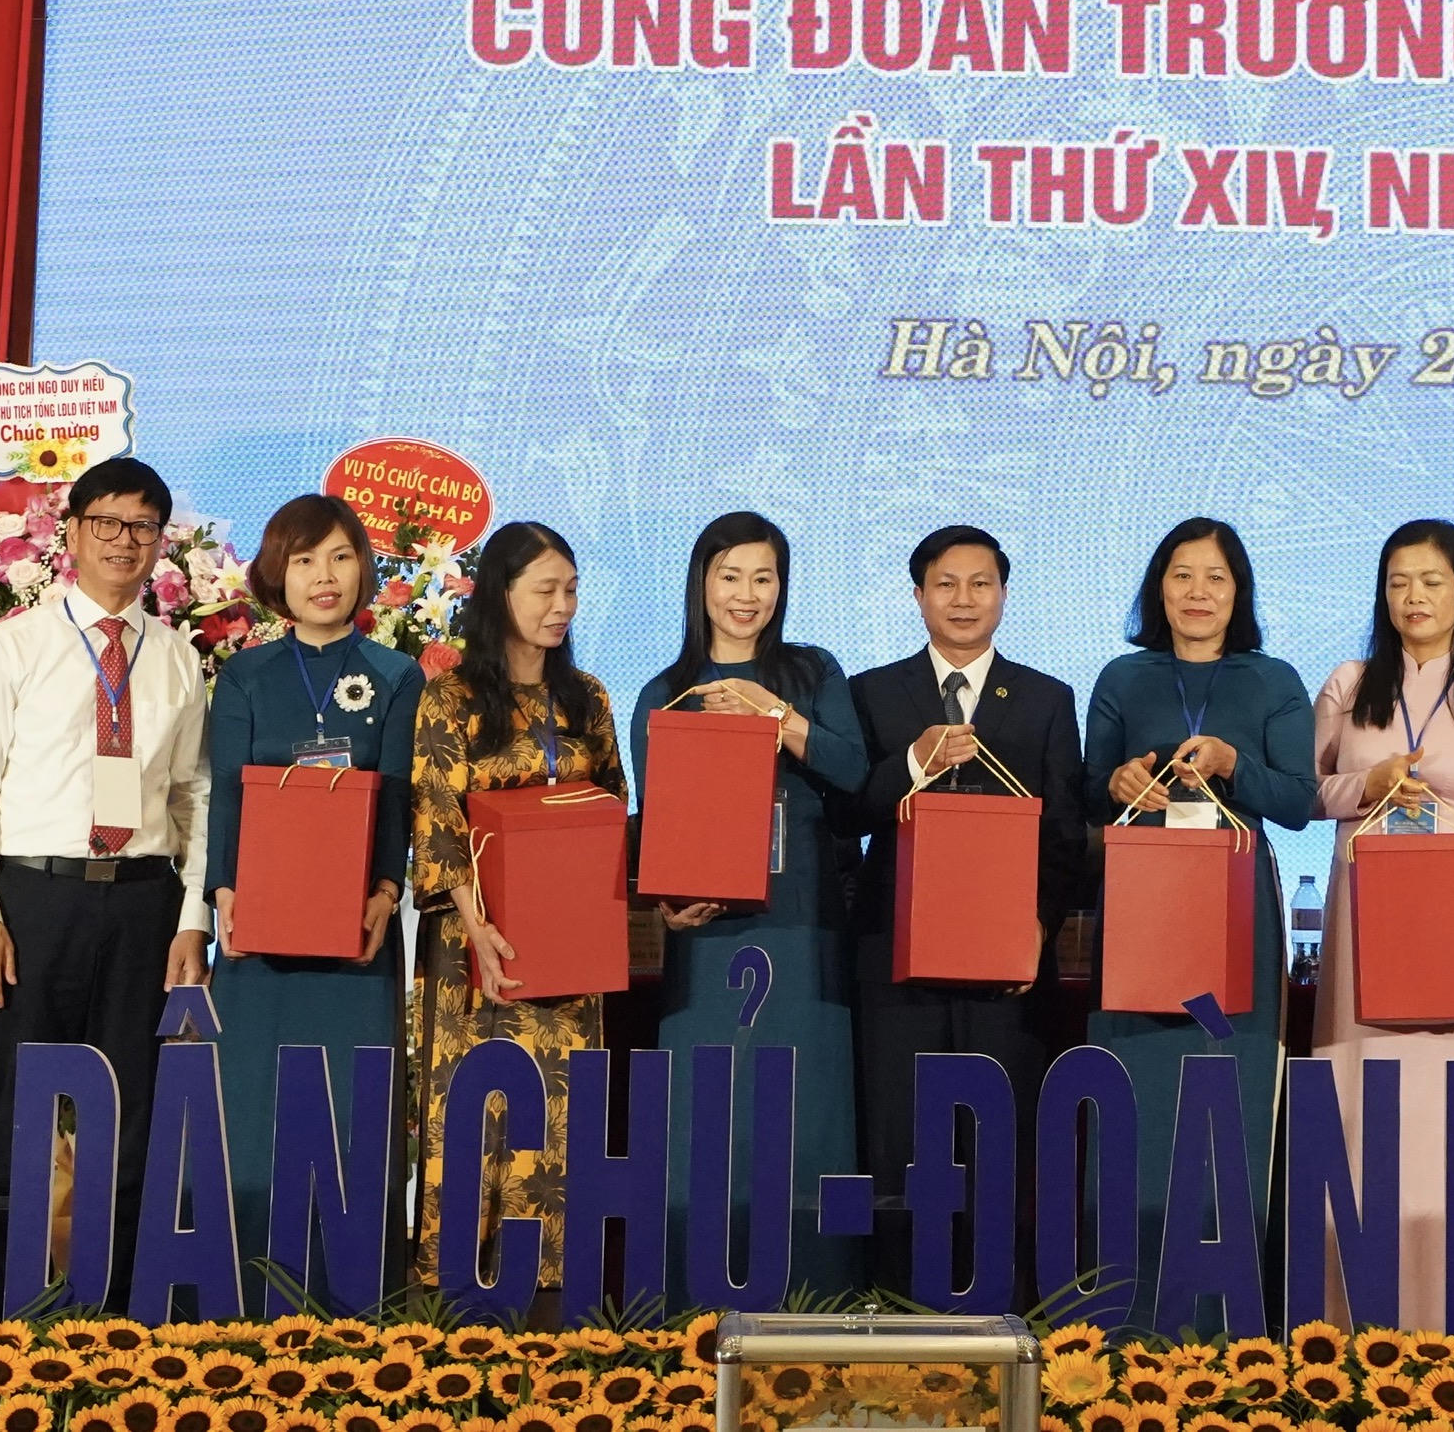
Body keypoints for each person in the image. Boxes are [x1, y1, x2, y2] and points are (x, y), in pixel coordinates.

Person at [0, 455, 211, 1315]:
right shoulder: (12, 645)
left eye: (142, 527)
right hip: (37, 898)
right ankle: (15, 1302)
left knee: (133, 1109)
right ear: (72, 530)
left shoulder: (177, 659)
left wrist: (193, 917)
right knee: (23, 1105)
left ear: (159, 542)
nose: (123, 541)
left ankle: (117, 1302)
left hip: (142, 902)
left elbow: (196, 796)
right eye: (107, 522)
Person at [843, 524, 1085, 1307]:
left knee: (996, 1145)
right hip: (897, 962)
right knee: (900, 1144)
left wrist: (1037, 929)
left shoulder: (1046, 699)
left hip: (1003, 971)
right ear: (918, 595)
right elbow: (848, 812)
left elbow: (1063, 836)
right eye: (946, 584)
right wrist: (914, 761)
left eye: (981, 583)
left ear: (1004, 595)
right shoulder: (873, 693)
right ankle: (893, 1308)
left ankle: (996, 1313)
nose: (964, 600)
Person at [1085, 516, 1316, 1335]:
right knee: (1137, 1107)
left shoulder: (1273, 679)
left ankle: (1226, 1327)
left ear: (1238, 591)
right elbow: (1087, 789)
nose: (1197, 592)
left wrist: (1232, 764)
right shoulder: (1123, 677)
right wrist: (1116, 783)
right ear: (1159, 587)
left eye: (1215, 577)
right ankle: (1125, 1322)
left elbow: (1299, 801)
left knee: (1227, 1108)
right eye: (1182, 575)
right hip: (1143, 909)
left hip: (1234, 912)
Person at [635, 512, 868, 1301]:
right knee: (708, 1121)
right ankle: (694, 1306)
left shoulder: (812, 670)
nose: (746, 595)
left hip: (803, 929)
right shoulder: (667, 692)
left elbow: (853, 771)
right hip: (707, 941)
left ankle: (822, 1301)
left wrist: (775, 716)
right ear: (701, 583)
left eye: (763, 578)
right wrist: (665, 904)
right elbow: (656, 827)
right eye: (730, 576)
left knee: (809, 1117)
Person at [203, 494, 421, 1312]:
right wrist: (224, 890)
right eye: (303, 561)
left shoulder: (396, 676)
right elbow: (227, 793)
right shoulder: (246, 674)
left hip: (353, 937)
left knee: (353, 1119)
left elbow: (395, 798)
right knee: (250, 1116)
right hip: (257, 937)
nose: (323, 577)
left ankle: (355, 1305)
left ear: (363, 567)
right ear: (277, 575)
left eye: (339, 557)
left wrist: (387, 891)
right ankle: (239, 1300)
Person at [1309, 519, 1454, 1330]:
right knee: (1364, 1119)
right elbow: (1307, 793)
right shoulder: (1349, 683)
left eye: (1431, 581)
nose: (1414, 597)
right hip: (1367, 923)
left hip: (1452, 925)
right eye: (1398, 582)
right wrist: (1369, 782)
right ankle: (1352, 1326)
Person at [409, 521, 626, 1291]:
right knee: (477, 1106)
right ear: (500, 595)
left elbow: (613, 806)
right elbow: (438, 818)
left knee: (559, 1109)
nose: (561, 605)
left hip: (570, 944)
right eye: (545, 590)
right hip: (477, 944)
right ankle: (457, 1276)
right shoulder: (452, 696)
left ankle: (553, 1275)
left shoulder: (588, 696)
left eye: (571, 590)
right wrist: (479, 929)